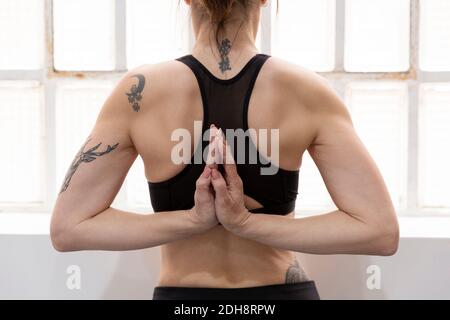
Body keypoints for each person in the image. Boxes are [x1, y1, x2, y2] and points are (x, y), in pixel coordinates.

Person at [50, 0, 399, 300]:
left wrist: (194, 220)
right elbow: (378, 230)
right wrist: (246, 223)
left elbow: (70, 227)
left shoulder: (139, 93)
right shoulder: (305, 90)